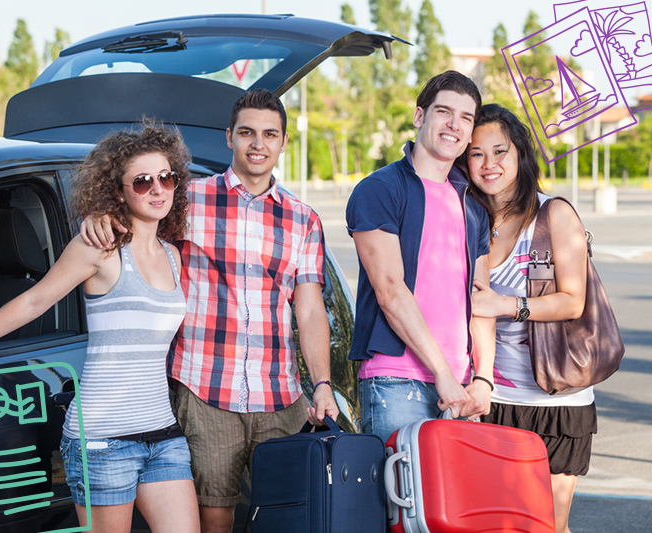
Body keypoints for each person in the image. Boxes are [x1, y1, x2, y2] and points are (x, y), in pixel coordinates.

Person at [81, 89, 339, 533]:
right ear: (229, 138)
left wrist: (322, 383)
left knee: (289, 516)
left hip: (279, 393)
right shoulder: (187, 201)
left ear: (283, 143)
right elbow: (135, 221)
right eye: (247, 133)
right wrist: (98, 217)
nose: (258, 144)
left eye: (269, 134)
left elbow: (310, 308)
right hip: (204, 388)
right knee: (214, 518)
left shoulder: (304, 219)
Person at [0, 124, 200, 533]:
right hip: (102, 439)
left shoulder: (171, 255)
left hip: (163, 434)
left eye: (166, 178)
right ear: (118, 190)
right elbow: (36, 300)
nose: (157, 189)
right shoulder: (98, 245)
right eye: (142, 181)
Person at [463, 104, 594, 533]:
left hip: (557, 401)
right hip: (498, 400)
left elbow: (573, 301)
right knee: (499, 523)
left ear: (520, 153)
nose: (489, 164)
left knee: (549, 526)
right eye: (476, 154)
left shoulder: (553, 214)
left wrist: (507, 305)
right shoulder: (470, 219)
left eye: (499, 151)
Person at [345, 70, 496, 443]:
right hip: (396, 380)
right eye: (444, 111)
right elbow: (391, 291)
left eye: (465, 117)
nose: (454, 125)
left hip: (460, 388)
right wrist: (441, 372)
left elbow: (481, 301)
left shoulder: (472, 206)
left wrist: (483, 378)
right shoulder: (379, 189)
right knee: (401, 501)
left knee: (453, 502)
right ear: (419, 116)